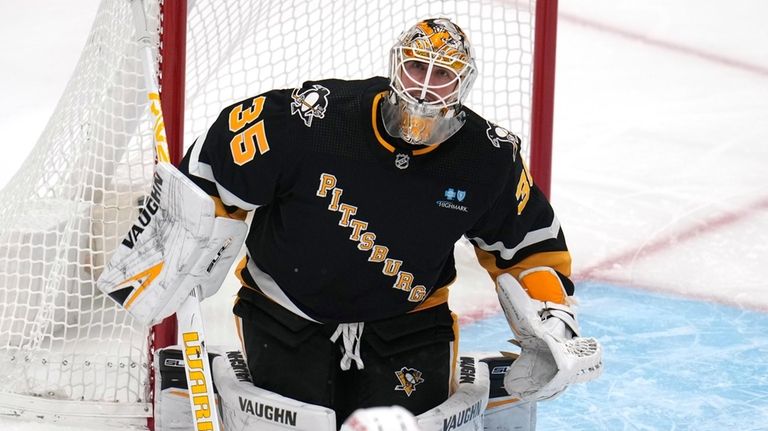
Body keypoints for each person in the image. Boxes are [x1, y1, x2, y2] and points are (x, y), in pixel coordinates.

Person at [178, 17, 579, 427]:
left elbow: (531, 248)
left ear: (462, 83)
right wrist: (179, 235)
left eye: (441, 73)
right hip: (287, 311)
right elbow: (219, 161)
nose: (424, 84)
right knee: (292, 423)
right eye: (417, 66)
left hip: (409, 323)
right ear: (397, 65)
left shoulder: (487, 158)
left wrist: (553, 316)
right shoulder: (317, 119)